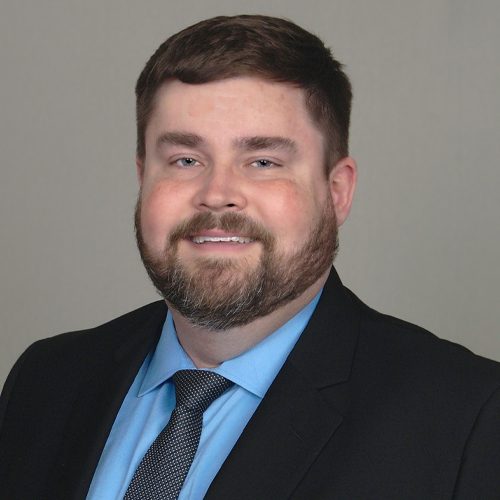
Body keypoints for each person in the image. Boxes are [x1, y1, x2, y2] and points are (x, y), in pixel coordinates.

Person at [1, 14, 499, 500]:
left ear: (337, 192)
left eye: (263, 162)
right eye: (185, 160)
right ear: (143, 177)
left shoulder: (467, 418)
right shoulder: (45, 381)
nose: (217, 194)